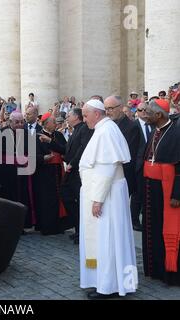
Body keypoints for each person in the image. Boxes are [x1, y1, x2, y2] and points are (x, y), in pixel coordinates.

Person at [79, 99, 138, 299]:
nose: (84, 119)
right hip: (106, 193)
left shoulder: (106, 131)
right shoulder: (105, 129)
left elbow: (107, 168)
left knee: (108, 239)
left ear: (97, 113)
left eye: (86, 115)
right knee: (107, 239)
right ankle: (102, 281)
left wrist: (98, 199)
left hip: (107, 195)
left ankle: (108, 285)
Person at [143, 99, 180, 286]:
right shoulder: (154, 131)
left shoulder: (176, 132)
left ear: (159, 115)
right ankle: (155, 269)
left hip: (168, 190)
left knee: (167, 229)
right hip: (151, 188)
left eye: (148, 112)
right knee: (153, 227)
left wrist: (177, 194)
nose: (144, 114)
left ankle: (170, 273)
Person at [61, 108, 94, 244]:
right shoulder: (76, 129)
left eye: (69, 115)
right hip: (71, 171)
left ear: (76, 117)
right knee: (66, 197)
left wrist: (72, 163)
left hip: (77, 172)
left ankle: (82, 232)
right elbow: (68, 149)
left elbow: (82, 148)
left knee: (78, 201)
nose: (67, 118)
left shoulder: (84, 129)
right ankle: (78, 229)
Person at [36, 113, 68, 235]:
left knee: (60, 197)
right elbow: (32, 155)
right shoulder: (36, 137)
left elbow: (65, 149)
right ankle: (48, 227)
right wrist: (44, 158)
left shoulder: (59, 135)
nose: (56, 124)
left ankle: (60, 226)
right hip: (45, 172)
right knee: (47, 199)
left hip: (59, 171)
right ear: (46, 124)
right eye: (53, 122)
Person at [104, 96, 140, 199]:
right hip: (109, 176)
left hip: (122, 177)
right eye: (105, 109)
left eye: (110, 108)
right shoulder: (108, 125)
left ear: (120, 108)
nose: (107, 112)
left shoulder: (131, 127)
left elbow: (129, 156)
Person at [131, 103, 153, 231]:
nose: (144, 112)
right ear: (137, 112)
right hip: (138, 165)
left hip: (151, 164)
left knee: (148, 194)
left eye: (146, 109)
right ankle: (134, 221)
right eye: (141, 110)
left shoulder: (153, 125)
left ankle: (147, 219)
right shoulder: (134, 125)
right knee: (137, 195)